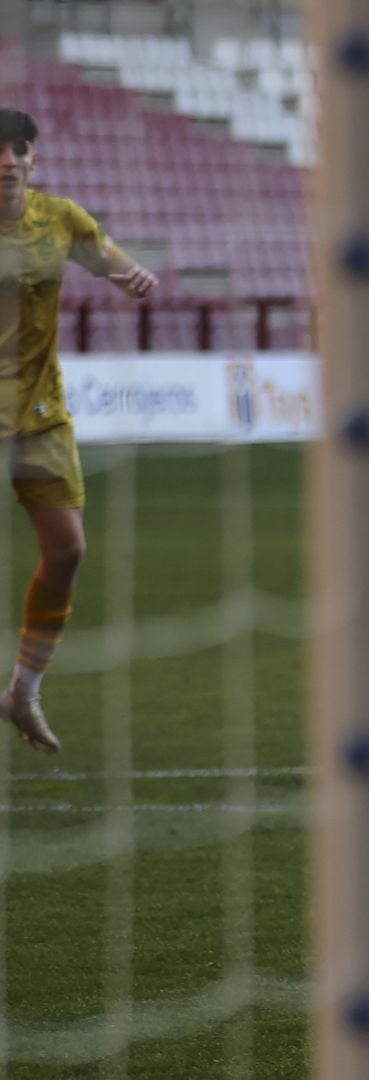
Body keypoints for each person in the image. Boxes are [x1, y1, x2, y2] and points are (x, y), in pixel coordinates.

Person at [0, 108, 157, 754]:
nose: (6, 161)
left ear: (33, 158)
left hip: (39, 417)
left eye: (17, 150)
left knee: (68, 551)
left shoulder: (61, 218)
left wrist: (134, 274)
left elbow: (113, 261)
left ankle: (23, 691)